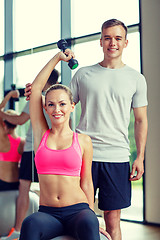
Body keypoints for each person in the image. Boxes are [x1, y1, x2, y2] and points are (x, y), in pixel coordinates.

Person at [68, 19, 148, 240]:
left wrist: (140, 157)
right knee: (82, 217)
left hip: (117, 156)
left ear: (126, 43)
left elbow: (141, 120)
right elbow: (63, 106)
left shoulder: (136, 79)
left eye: (118, 38)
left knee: (113, 221)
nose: (112, 42)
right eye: (108, 38)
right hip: (84, 155)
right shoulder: (83, 75)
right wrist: (37, 93)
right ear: (100, 41)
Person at [19, 51, 111, 240]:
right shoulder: (41, 135)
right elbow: (36, 89)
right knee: (30, 223)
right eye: (51, 105)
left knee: (88, 222)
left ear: (72, 106)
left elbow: (86, 182)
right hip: (48, 213)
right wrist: (57, 58)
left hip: (78, 212)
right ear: (45, 108)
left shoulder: (83, 141)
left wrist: (92, 217)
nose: (57, 109)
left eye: (62, 104)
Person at [0, 69, 60, 240]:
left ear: (46, 79)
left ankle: (18, 230)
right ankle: (49, 227)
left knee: (24, 187)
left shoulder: (38, 95)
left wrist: (2, 113)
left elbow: (19, 120)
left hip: (34, 149)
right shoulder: (58, 98)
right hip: (51, 147)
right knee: (49, 189)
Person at [0, 90, 25, 191]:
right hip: (17, 182)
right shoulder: (23, 142)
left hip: (2, 182)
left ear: (4, 123)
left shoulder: (3, 139)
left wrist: (10, 95)